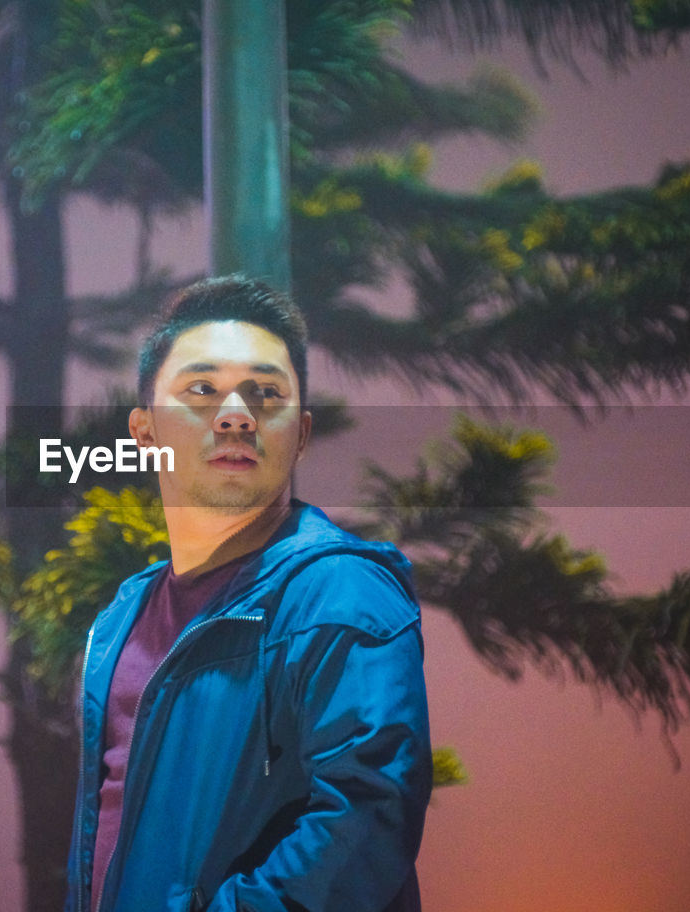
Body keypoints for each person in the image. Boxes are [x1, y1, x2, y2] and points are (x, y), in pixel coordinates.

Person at [64, 275, 432, 912]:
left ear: (301, 434)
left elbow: (364, 825)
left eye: (265, 394)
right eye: (201, 390)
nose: (236, 414)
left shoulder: (339, 593)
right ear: (145, 433)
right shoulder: (123, 618)